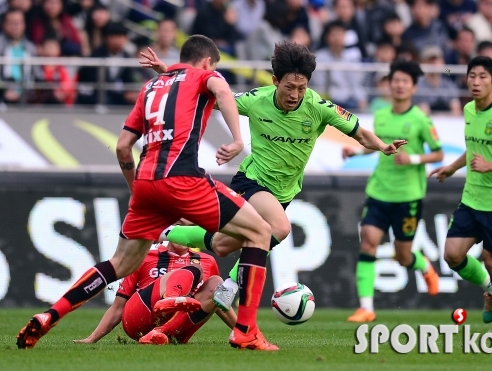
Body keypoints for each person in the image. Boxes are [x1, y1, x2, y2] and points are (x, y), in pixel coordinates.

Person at [17, 35, 277, 352]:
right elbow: (221, 90)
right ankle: (246, 331)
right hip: (183, 179)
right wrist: (237, 140)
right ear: (208, 62)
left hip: (145, 183)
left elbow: (124, 147)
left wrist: (136, 192)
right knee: (261, 231)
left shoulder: (151, 87)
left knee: (118, 264)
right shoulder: (206, 76)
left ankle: (49, 315)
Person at [139, 41, 407, 312]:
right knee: (278, 228)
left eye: (301, 88)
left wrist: (383, 146)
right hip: (252, 182)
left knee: (221, 245)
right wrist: (172, 73)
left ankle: (167, 231)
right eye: (289, 87)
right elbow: (217, 98)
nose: (295, 94)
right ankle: (231, 285)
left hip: (284, 192)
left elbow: (361, 133)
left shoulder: (319, 107)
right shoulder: (257, 100)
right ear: (275, 81)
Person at [429, 56, 492, 335]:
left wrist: (490, 166)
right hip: (472, 198)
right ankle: (490, 291)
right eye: (472, 76)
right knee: (452, 255)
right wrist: (451, 168)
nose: (475, 82)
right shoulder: (469, 110)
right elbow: (473, 149)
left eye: (482, 77)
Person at [343, 60, 443, 323]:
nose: (398, 85)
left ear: (413, 87)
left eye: (404, 81)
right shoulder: (381, 115)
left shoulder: (420, 119)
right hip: (379, 191)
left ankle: (424, 267)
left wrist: (413, 159)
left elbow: (439, 152)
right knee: (368, 241)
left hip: (408, 196)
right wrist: (354, 151)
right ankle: (366, 307)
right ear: (389, 84)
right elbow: (375, 144)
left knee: (403, 256)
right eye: (395, 80)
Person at [73, 241, 236, 345]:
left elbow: (220, 302)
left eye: (189, 227)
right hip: (140, 319)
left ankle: (160, 333)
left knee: (217, 283)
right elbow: (118, 306)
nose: (183, 230)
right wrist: (92, 338)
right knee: (193, 270)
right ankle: (170, 299)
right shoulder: (145, 257)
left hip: (177, 332)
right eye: (178, 226)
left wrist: (243, 330)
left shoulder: (207, 260)